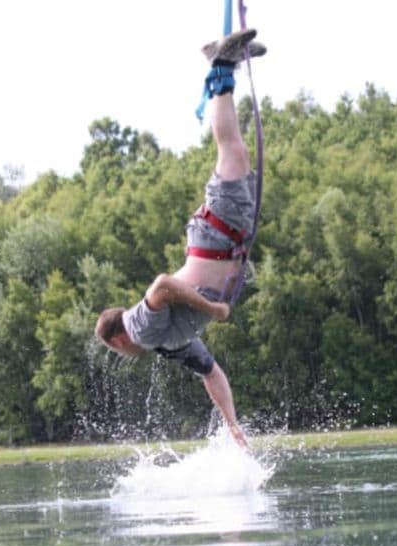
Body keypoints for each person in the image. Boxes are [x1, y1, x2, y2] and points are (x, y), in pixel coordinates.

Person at [95, 29, 266, 450]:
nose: (125, 355)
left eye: (118, 352)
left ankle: (222, 65)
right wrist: (231, 424)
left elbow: (162, 285)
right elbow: (212, 373)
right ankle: (223, 65)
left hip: (216, 236)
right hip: (225, 238)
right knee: (236, 153)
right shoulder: (168, 345)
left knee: (233, 152)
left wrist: (213, 309)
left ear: (118, 341)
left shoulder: (140, 328)